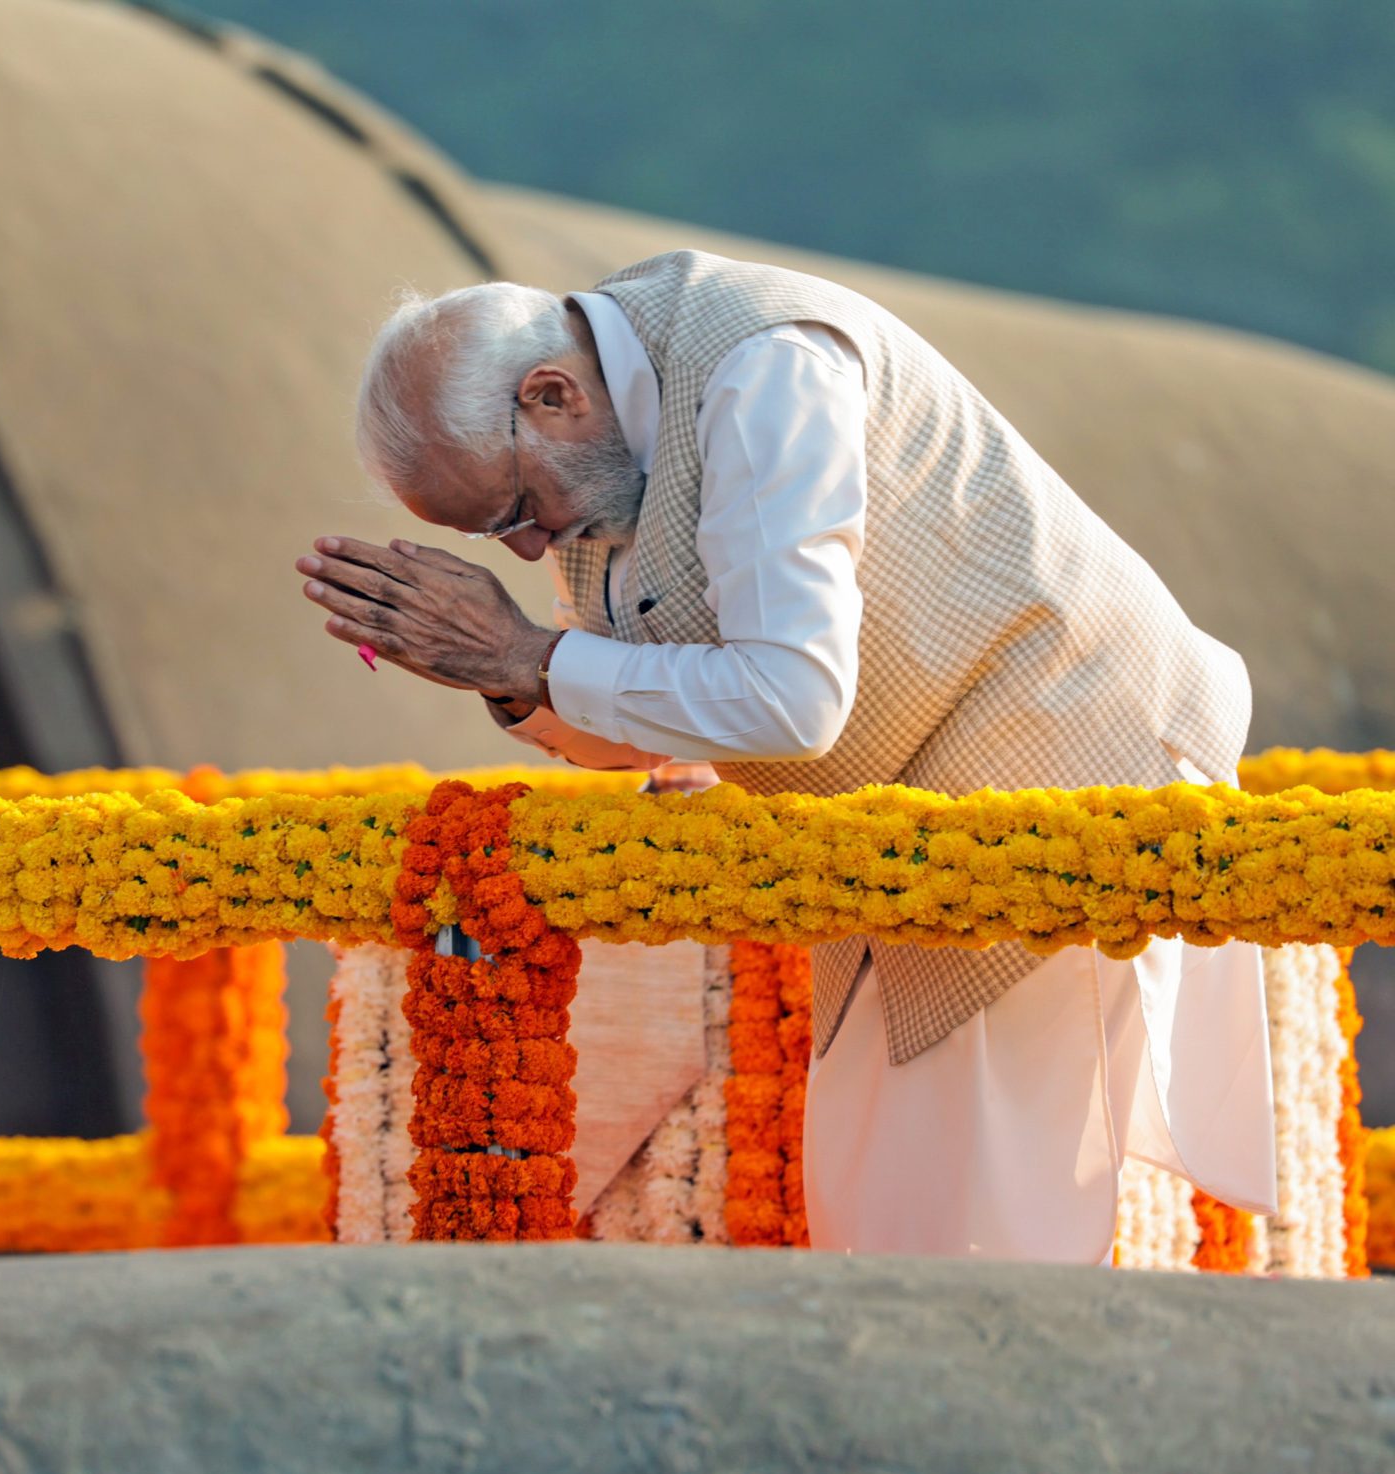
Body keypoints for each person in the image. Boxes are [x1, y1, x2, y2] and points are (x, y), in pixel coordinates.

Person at [296, 251, 1274, 1262]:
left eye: (509, 512)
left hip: (1063, 774)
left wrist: (529, 653)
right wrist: (503, 677)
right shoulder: (601, 453)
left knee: (983, 1243)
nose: (529, 551)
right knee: (877, 1221)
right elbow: (658, 710)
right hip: (904, 839)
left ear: (552, 395)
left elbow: (787, 699)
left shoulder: (764, 369)